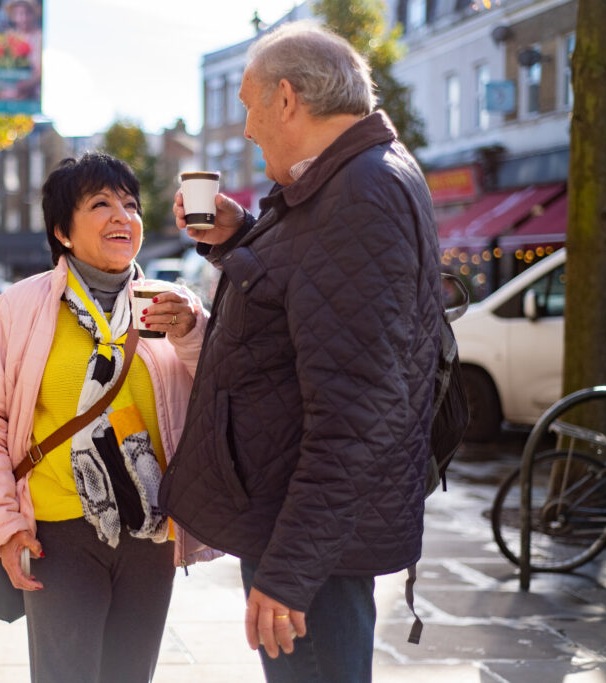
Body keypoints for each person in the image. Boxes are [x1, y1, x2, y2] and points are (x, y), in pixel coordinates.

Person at [158, 22, 442, 682]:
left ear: (287, 98)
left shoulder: (361, 192)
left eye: (251, 105)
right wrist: (239, 236)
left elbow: (358, 406)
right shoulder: (343, 182)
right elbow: (311, 297)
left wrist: (289, 572)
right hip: (305, 524)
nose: (249, 129)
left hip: (310, 538)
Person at [0, 153, 217, 683]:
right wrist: (3, 527)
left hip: (152, 533)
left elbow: (226, 387)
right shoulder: (21, 308)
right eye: (101, 204)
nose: (123, 216)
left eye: (131, 204)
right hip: (59, 534)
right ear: (62, 232)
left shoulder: (172, 305)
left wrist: (191, 330)